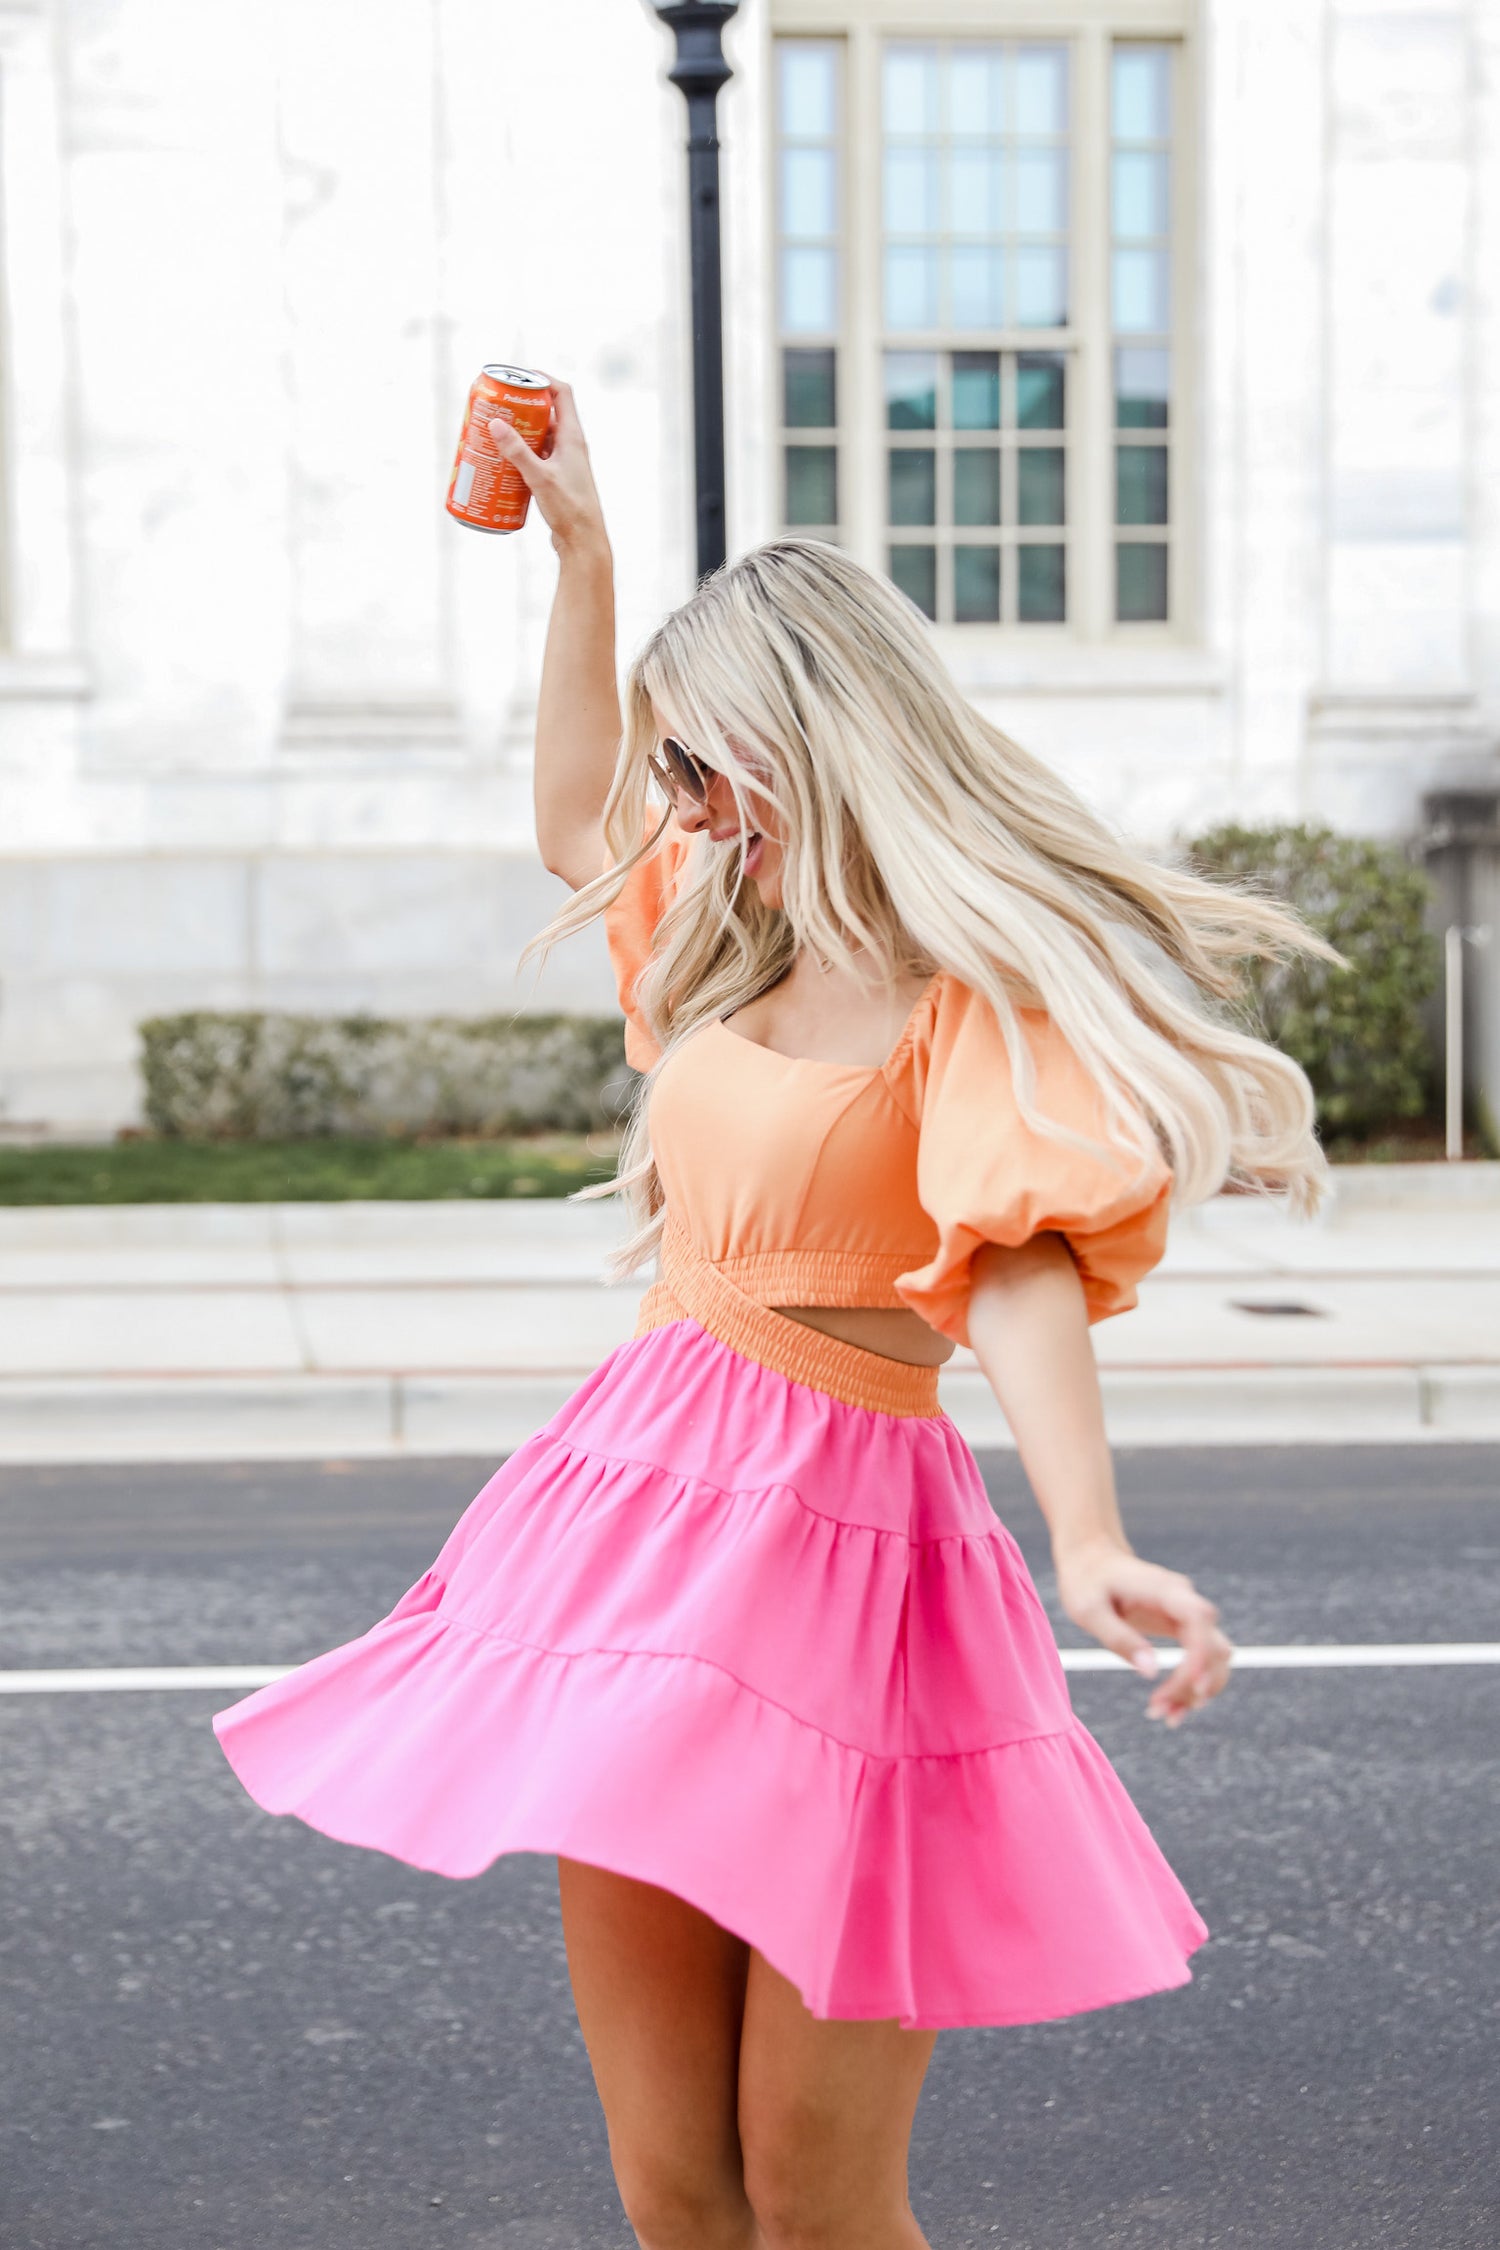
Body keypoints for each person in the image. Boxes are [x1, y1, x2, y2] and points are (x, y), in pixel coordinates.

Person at [215, 382, 1332, 2250]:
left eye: (711, 763)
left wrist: (1091, 1536)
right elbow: (573, 810)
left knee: (816, 2196)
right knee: (675, 2190)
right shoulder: (716, 926)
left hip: (852, 1572)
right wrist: (582, 551)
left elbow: (1020, 1261)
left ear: (814, 743)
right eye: (681, 771)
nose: (684, 803)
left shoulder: (971, 992)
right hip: (632, 1541)